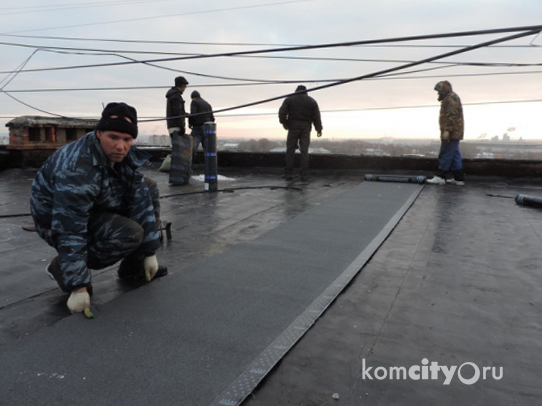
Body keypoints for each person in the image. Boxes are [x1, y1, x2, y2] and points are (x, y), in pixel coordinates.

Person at [31, 102, 167, 316]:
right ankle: (61, 268)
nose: (120, 146)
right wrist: (78, 284)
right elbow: (69, 226)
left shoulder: (121, 155)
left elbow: (139, 196)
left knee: (147, 186)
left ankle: (134, 266)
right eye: (113, 137)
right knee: (130, 234)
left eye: (127, 140)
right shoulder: (77, 169)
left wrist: (149, 252)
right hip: (55, 220)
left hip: (93, 203)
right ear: (99, 133)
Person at [278, 85, 323, 182]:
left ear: (296, 91)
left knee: (290, 150)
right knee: (304, 151)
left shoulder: (289, 100)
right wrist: (318, 129)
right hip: (306, 128)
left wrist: (285, 124)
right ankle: (304, 175)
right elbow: (316, 117)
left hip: (293, 127)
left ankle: (288, 173)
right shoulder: (311, 101)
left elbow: (282, 114)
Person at [426, 80, 465, 185]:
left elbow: (451, 115)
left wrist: (447, 130)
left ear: (444, 90)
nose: (438, 93)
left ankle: (440, 176)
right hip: (455, 131)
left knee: (446, 153)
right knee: (454, 154)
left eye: (439, 91)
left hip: (451, 132)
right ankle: (458, 178)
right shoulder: (451, 97)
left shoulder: (451, 98)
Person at [166, 76, 192, 185]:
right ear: (181, 85)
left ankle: (177, 178)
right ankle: (178, 178)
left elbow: (178, 112)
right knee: (178, 154)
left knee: (177, 153)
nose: (185, 87)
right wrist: (182, 127)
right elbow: (177, 113)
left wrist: (186, 115)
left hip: (172, 125)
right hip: (176, 126)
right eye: (185, 85)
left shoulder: (172, 95)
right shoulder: (176, 96)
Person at [188, 90, 215, 163]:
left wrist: (190, 123)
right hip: (207, 128)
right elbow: (212, 118)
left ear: (193, 97)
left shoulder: (194, 102)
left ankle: (189, 164)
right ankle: (209, 166)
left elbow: (193, 114)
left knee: (191, 146)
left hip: (198, 127)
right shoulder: (207, 104)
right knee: (207, 148)